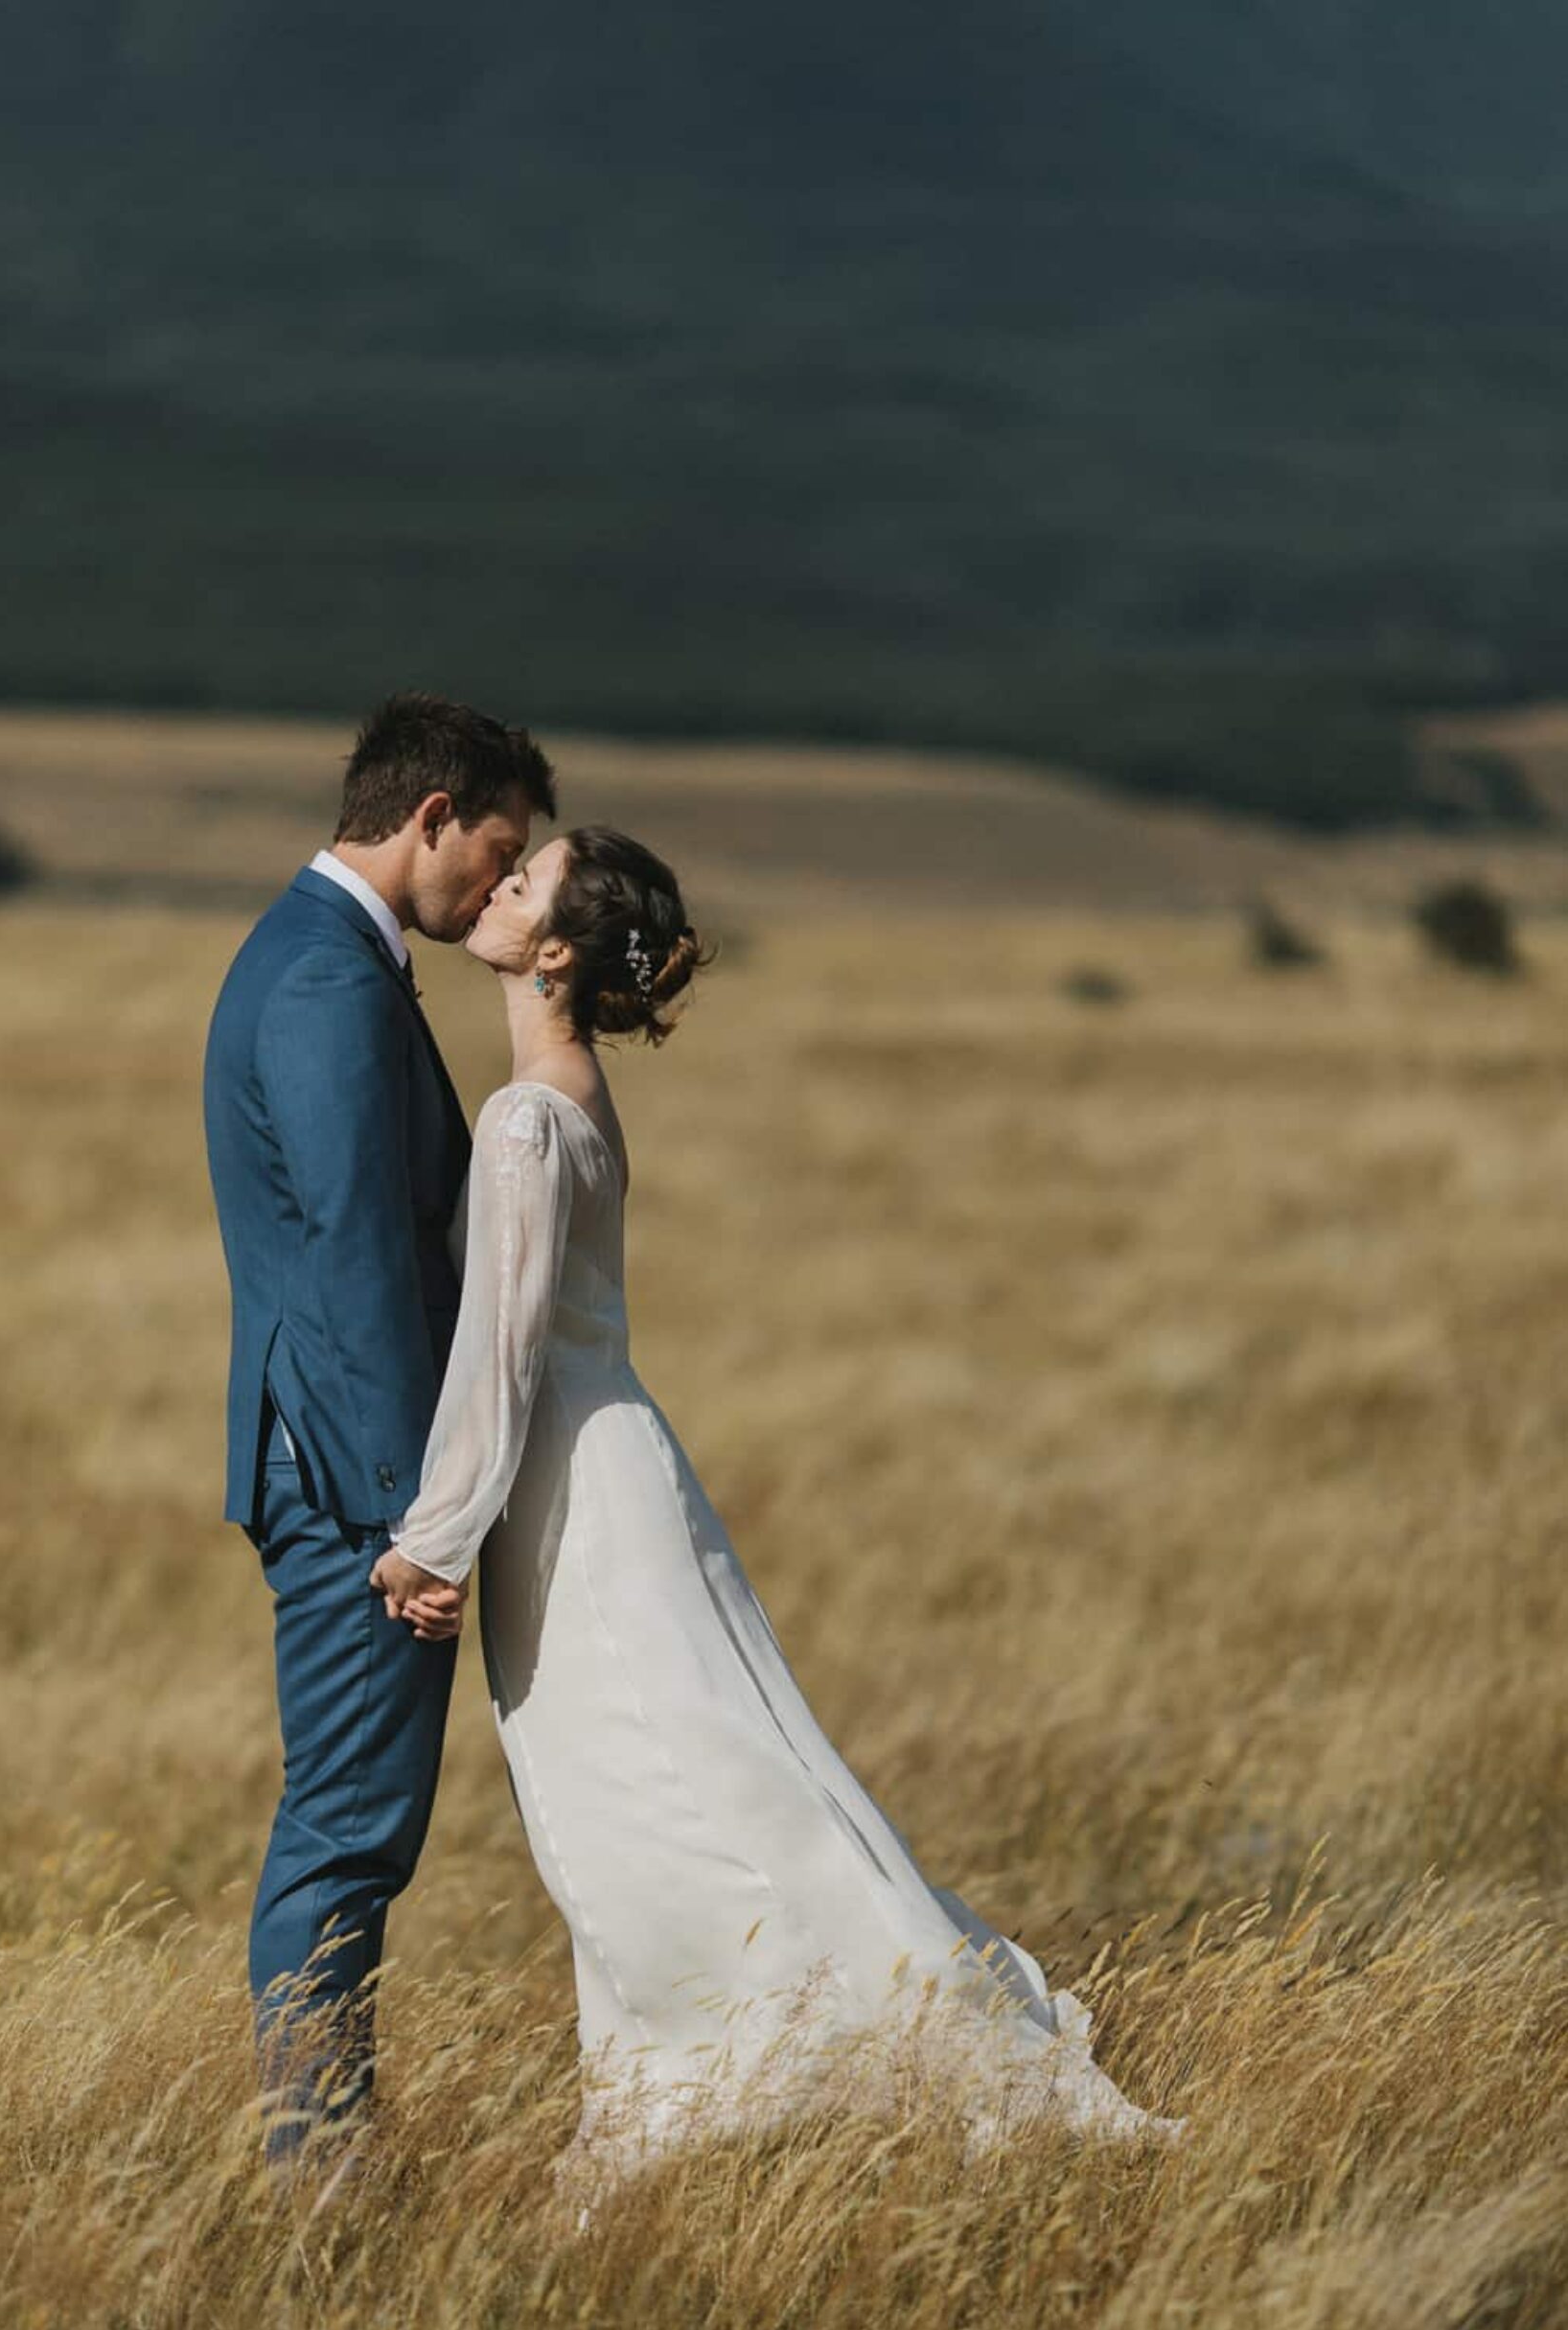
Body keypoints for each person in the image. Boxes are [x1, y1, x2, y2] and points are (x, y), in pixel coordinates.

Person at [374, 825, 1182, 2190]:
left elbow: (500, 1350)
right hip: (617, 1464)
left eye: (524, 883)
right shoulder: (568, 1093)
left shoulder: (524, 1117)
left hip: (571, 1492)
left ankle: (779, 2060)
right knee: (710, 1766)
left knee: (663, 1789)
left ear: (556, 951)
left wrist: (432, 1538)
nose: (497, 885)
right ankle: (674, 2097)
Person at [202, 691, 555, 2158]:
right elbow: (356, 1253)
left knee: (356, 1826)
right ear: (429, 816)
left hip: (351, 1466)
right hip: (357, 1482)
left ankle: (323, 2148)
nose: (500, 884)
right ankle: (317, 2171)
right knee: (349, 1830)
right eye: (498, 847)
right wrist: (425, 1513)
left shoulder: (327, 955)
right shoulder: (329, 984)